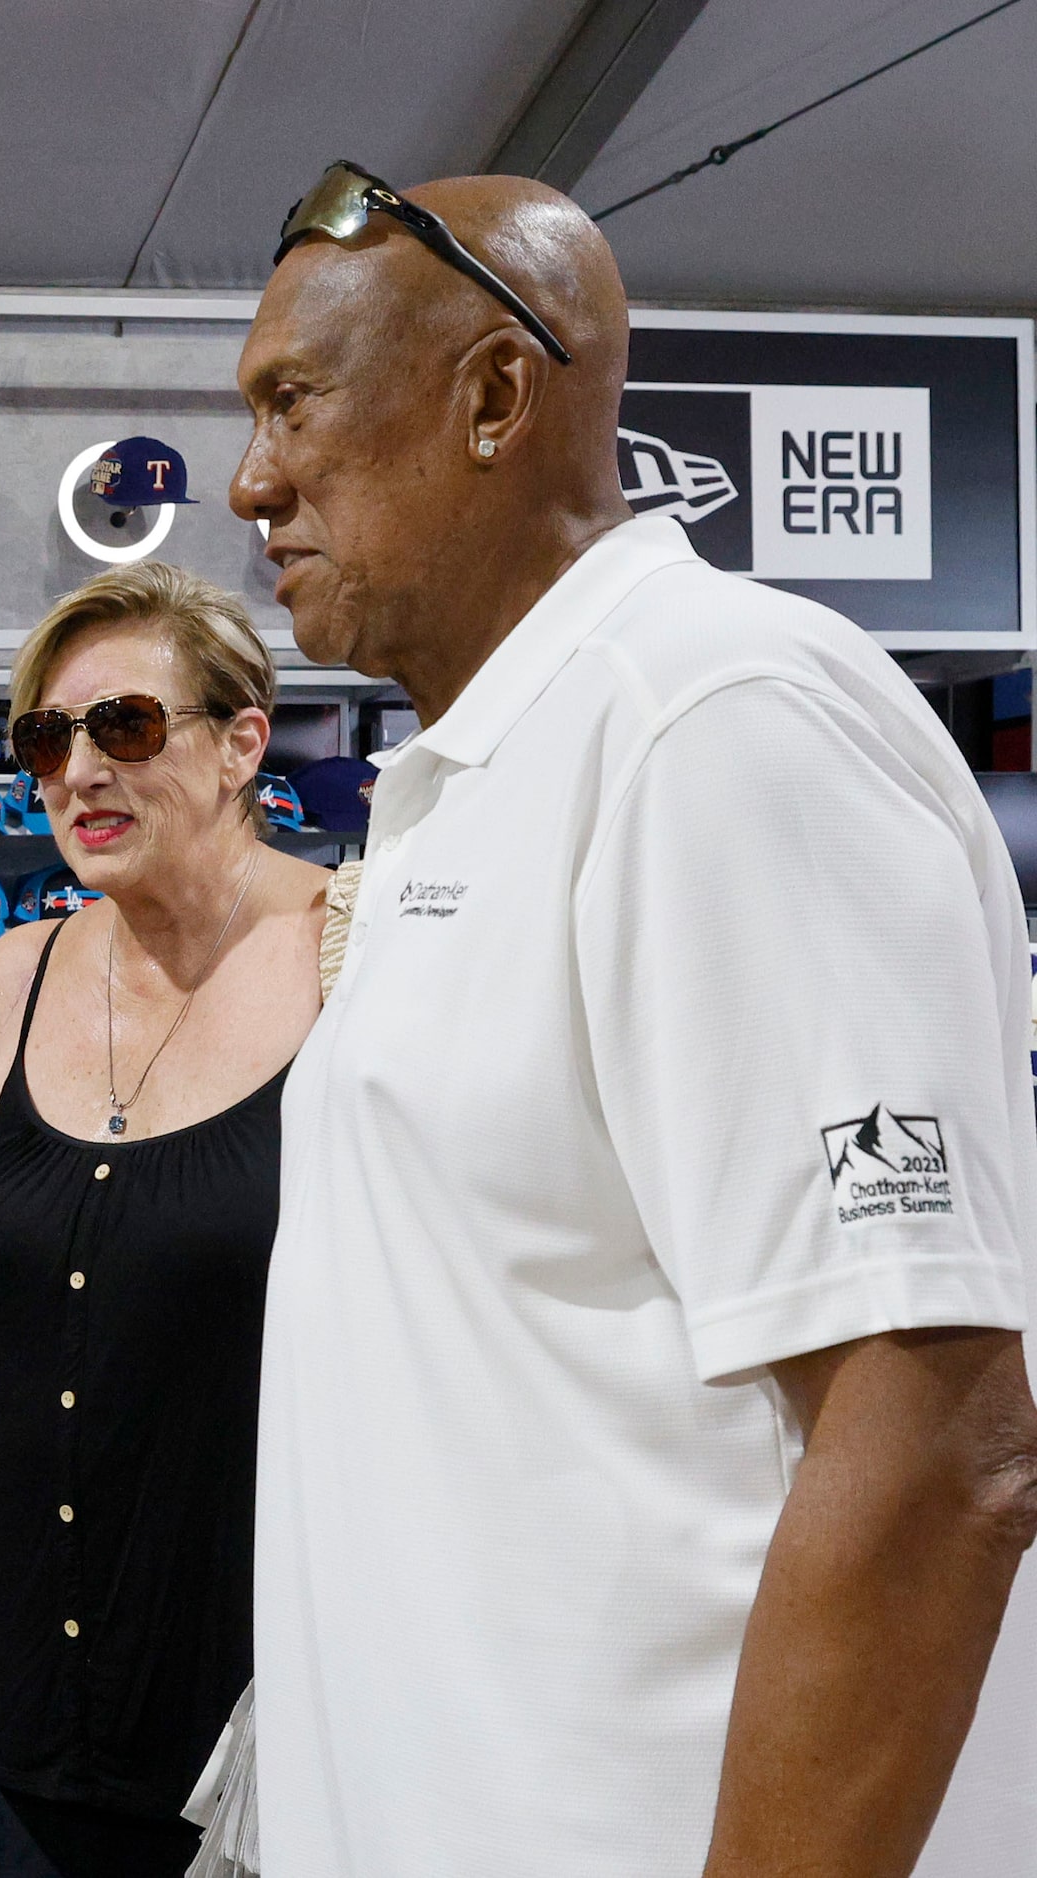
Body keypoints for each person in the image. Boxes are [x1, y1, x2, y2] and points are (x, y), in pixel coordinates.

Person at [235, 165, 1037, 1875]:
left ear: (498, 397)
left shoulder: (714, 724)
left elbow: (940, 1449)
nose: (251, 482)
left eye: (292, 403)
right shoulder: (474, 775)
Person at [0, 561, 331, 1876]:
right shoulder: (13, 980)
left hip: (265, 1748)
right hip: (26, 1745)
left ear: (243, 743)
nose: (79, 769)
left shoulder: (354, 956)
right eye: (46, 738)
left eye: (125, 725)